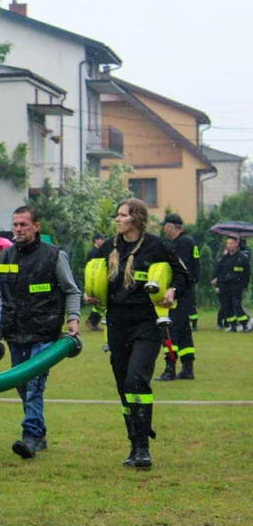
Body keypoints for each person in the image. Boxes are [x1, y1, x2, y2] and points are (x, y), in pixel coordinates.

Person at [85, 199, 189, 470]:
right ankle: (134, 443)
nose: (117, 220)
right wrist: (90, 294)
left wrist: (172, 291)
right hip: (117, 323)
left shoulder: (157, 246)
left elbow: (184, 276)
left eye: (122, 215)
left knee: (135, 381)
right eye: (117, 215)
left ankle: (143, 448)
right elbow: (92, 275)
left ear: (137, 219)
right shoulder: (108, 247)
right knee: (123, 387)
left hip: (147, 323)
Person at [0, 206, 81, 459]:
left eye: (24, 225)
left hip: (44, 333)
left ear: (37, 226)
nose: (18, 229)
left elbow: (72, 290)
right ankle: (39, 433)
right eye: (15, 224)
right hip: (14, 333)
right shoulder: (5, 257)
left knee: (33, 384)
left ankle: (29, 436)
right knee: (21, 384)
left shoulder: (53, 255)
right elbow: (2, 297)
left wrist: (73, 319)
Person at [157, 214, 199, 379]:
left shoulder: (182, 243)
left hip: (179, 293)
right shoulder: (186, 241)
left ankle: (170, 369)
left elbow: (183, 271)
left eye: (164, 225)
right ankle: (187, 369)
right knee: (183, 331)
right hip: (184, 292)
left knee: (171, 330)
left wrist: (174, 289)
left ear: (171, 226)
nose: (163, 229)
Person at [212, 235, 250, 332]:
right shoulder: (224, 258)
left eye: (231, 243)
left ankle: (245, 325)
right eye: (228, 243)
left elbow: (244, 273)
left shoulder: (242, 258)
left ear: (237, 244)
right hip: (225, 286)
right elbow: (219, 270)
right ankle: (233, 326)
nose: (229, 246)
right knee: (226, 306)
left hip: (237, 286)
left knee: (237, 305)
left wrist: (244, 286)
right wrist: (216, 281)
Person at [84, 233, 107, 331]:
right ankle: (91, 321)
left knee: (99, 304)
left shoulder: (97, 251)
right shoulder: (94, 252)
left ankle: (93, 322)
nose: (103, 241)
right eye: (101, 239)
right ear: (96, 240)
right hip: (94, 279)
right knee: (99, 302)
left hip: (96, 279)